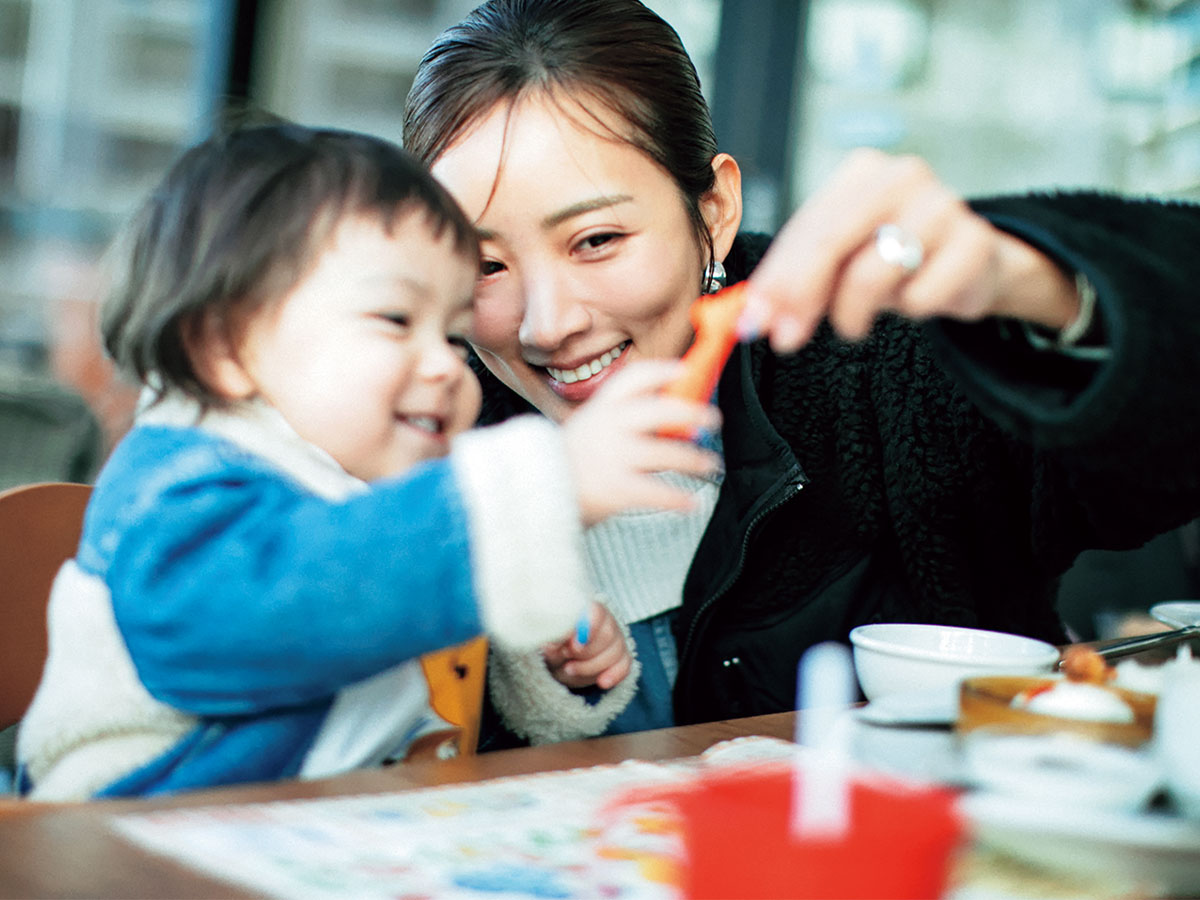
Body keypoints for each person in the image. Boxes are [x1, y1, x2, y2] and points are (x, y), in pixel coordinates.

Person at [401, 0, 1200, 740]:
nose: (548, 325)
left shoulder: (879, 360)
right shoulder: (413, 438)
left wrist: (1034, 284)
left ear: (713, 209)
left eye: (598, 240)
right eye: (485, 264)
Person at [15, 121, 721, 800]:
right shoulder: (177, 488)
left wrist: (540, 663)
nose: (446, 366)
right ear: (227, 351)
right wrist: (547, 486)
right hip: (128, 844)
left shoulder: (366, 487)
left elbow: (391, 617)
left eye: (451, 334)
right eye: (395, 320)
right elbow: (287, 610)